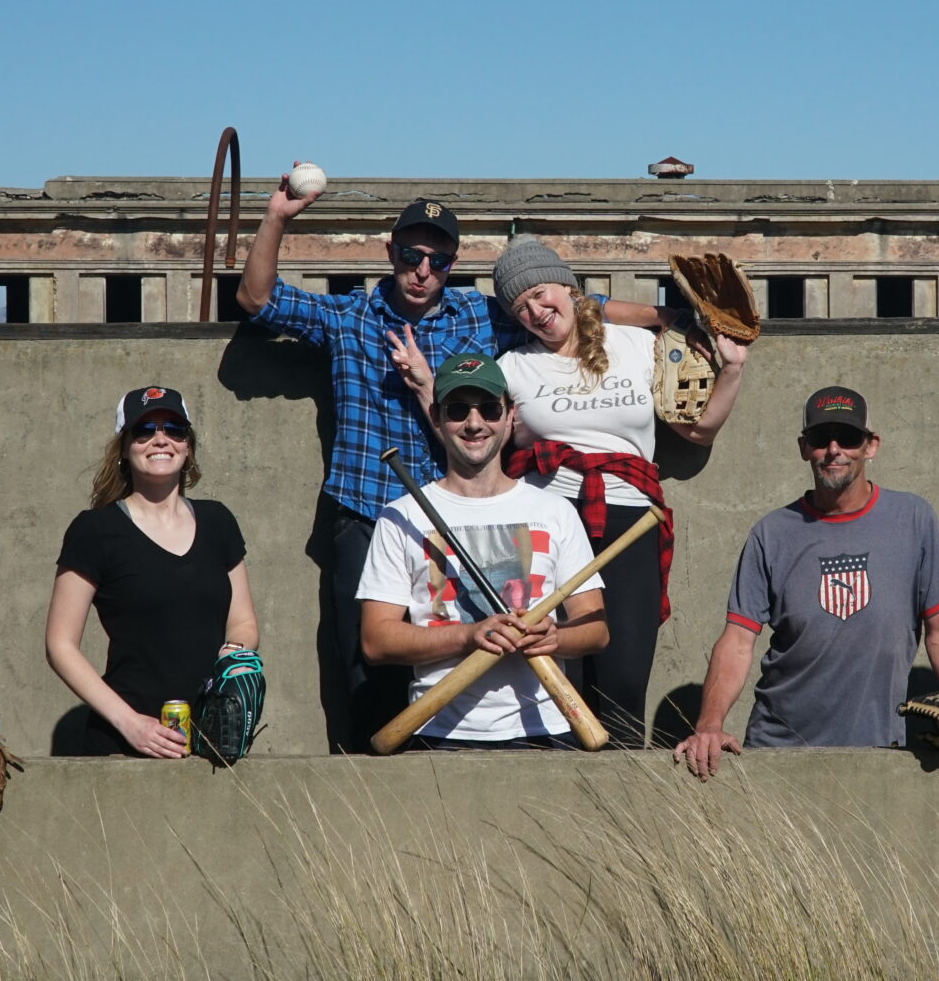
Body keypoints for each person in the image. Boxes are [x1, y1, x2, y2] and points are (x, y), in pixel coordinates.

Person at [236, 181, 664, 751]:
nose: (422, 270)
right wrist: (276, 217)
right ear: (391, 253)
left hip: (460, 518)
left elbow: (581, 310)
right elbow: (258, 299)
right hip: (367, 510)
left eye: (437, 260)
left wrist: (672, 313)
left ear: (452, 264)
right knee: (366, 683)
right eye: (411, 256)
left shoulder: (480, 314)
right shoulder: (350, 314)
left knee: (480, 665)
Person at [490, 235, 748, 746]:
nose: (537, 312)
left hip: (631, 521)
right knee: (557, 677)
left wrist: (733, 368)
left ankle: (625, 801)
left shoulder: (636, 345)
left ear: (567, 287)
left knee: (624, 678)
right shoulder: (512, 368)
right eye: (520, 308)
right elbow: (478, 447)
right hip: (549, 524)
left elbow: (698, 431)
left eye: (541, 294)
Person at [674, 387, 939, 779]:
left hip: (881, 752)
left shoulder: (913, 519)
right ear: (804, 448)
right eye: (820, 439)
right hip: (779, 752)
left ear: (871, 446)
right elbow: (737, 641)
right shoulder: (772, 533)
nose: (834, 450)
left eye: (848, 438)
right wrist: (709, 726)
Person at [357, 353, 608, 748]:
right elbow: (376, 641)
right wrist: (469, 636)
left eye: (489, 409)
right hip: (438, 734)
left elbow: (596, 630)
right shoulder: (400, 517)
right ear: (437, 418)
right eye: (458, 410)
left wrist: (554, 637)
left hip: (546, 731)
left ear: (510, 417)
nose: (474, 424)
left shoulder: (554, 510)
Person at [44, 386, 259, 758]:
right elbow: (60, 645)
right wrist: (130, 723)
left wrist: (234, 661)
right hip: (122, 746)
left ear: (187, 446)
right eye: (144, 430)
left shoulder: (219, 521)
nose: (161, 439)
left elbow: (243, 623)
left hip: (211, 740)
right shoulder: (94, 530)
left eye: (174, 429)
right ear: (124, 448)